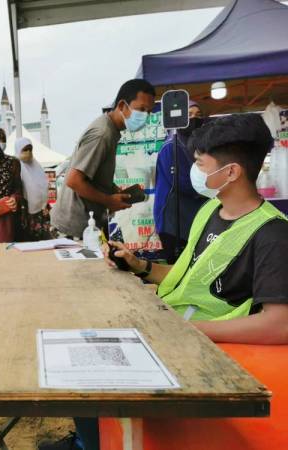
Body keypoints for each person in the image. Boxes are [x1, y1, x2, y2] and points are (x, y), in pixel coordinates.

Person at [60, 114, 288, 450]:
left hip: (204, 351)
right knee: (79, 344)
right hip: (171, 327)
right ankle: (88, 440)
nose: (193, 170)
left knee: (94, 371)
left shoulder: (272, 234)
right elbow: (183, 276)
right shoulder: (211, 212)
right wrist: (140, 266)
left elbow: (279, 324)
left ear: (231, 172)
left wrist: (192, 331)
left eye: (199, 163)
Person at [50, 79, 156, 237]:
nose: (145, 116)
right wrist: (108, 200)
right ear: (121, 106)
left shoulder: (111, 131)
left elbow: (91, 176)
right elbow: (74, 180)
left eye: (149, 112)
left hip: (87, 226)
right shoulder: (102, 134)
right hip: (74, 228)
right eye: (141, 110)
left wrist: (113, 191)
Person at [154, 101, 207, 262]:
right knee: (176, 269)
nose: (194, 119)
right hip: (173, 219)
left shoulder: (193, 145)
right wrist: (211, 189)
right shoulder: (172, 146)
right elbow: (182, 182)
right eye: (189, 115)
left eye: (198, 115)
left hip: (188, 216)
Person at [15, 137, 54, 241]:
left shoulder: (37, 167)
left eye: (30, 149)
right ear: (18, 150)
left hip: (41, 212)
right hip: (25, 214)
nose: (28, 152)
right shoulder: (16, 168)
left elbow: (43, 186)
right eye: (25, 149)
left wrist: (44, 205)